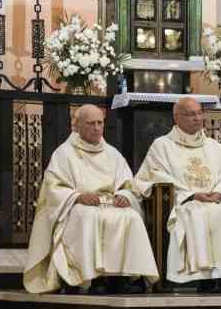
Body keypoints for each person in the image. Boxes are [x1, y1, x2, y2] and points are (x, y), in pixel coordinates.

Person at [24, 105, 159, 294]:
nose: (97, 128)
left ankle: (121, 278)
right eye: (91, 123)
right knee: (88, 216)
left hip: (110, 203)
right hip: (78, 206)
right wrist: (77, 196)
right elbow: (53, 188)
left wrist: (124, 195)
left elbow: (128, 184)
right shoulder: (64, 154)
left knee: (131, 217)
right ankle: (93, 279)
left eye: (100, 123)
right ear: (77, 125)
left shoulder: (112, 154)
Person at [134, 98, 221, 292]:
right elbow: (154, 174)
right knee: (198, 214)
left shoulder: (213, 146)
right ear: (176, 118)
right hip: (185, 201)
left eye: (199, 113)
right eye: (190, 114)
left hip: (216, 199)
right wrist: (192, 195)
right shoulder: (162, 145)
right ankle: (204, 277)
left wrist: (220, 193)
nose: (197, 118)